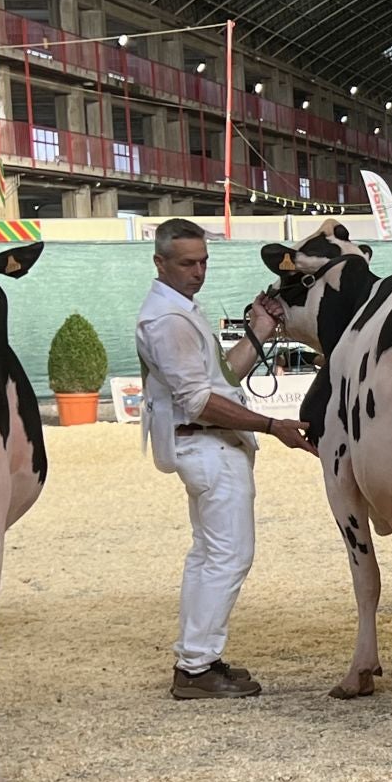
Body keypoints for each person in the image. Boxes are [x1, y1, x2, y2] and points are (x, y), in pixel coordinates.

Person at [135, 218, 315, 700]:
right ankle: (195, 668)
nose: (198, 272)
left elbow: (224, 377)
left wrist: (258, 330)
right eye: (187, 263)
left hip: (207, 443)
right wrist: (273, 426)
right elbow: (199, 401)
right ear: (160, 263)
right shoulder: (168, 321)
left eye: (203, 262)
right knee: (229, 557)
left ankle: (199, 659)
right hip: (206, 443)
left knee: (210, 556)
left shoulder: (179, 310)